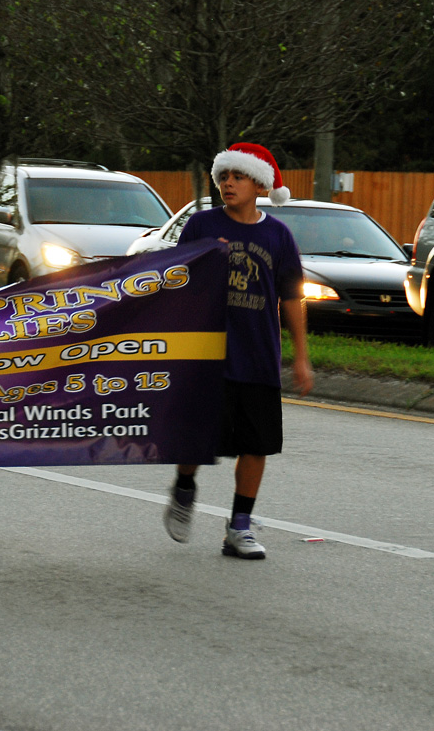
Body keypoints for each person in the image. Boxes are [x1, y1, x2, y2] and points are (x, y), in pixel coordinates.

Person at [163, 142, 313, 559]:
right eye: (224, 177)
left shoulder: (277, 236)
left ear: (260, 184)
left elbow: (291, 298)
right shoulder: (200, 225)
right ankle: (185, 486)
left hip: (258, 354)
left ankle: (239, 526)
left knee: (256, 443)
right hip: (206, 354)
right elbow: (173, 281)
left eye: (238, 177)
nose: (228, 184)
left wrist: (301, 356)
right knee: (197, 437)